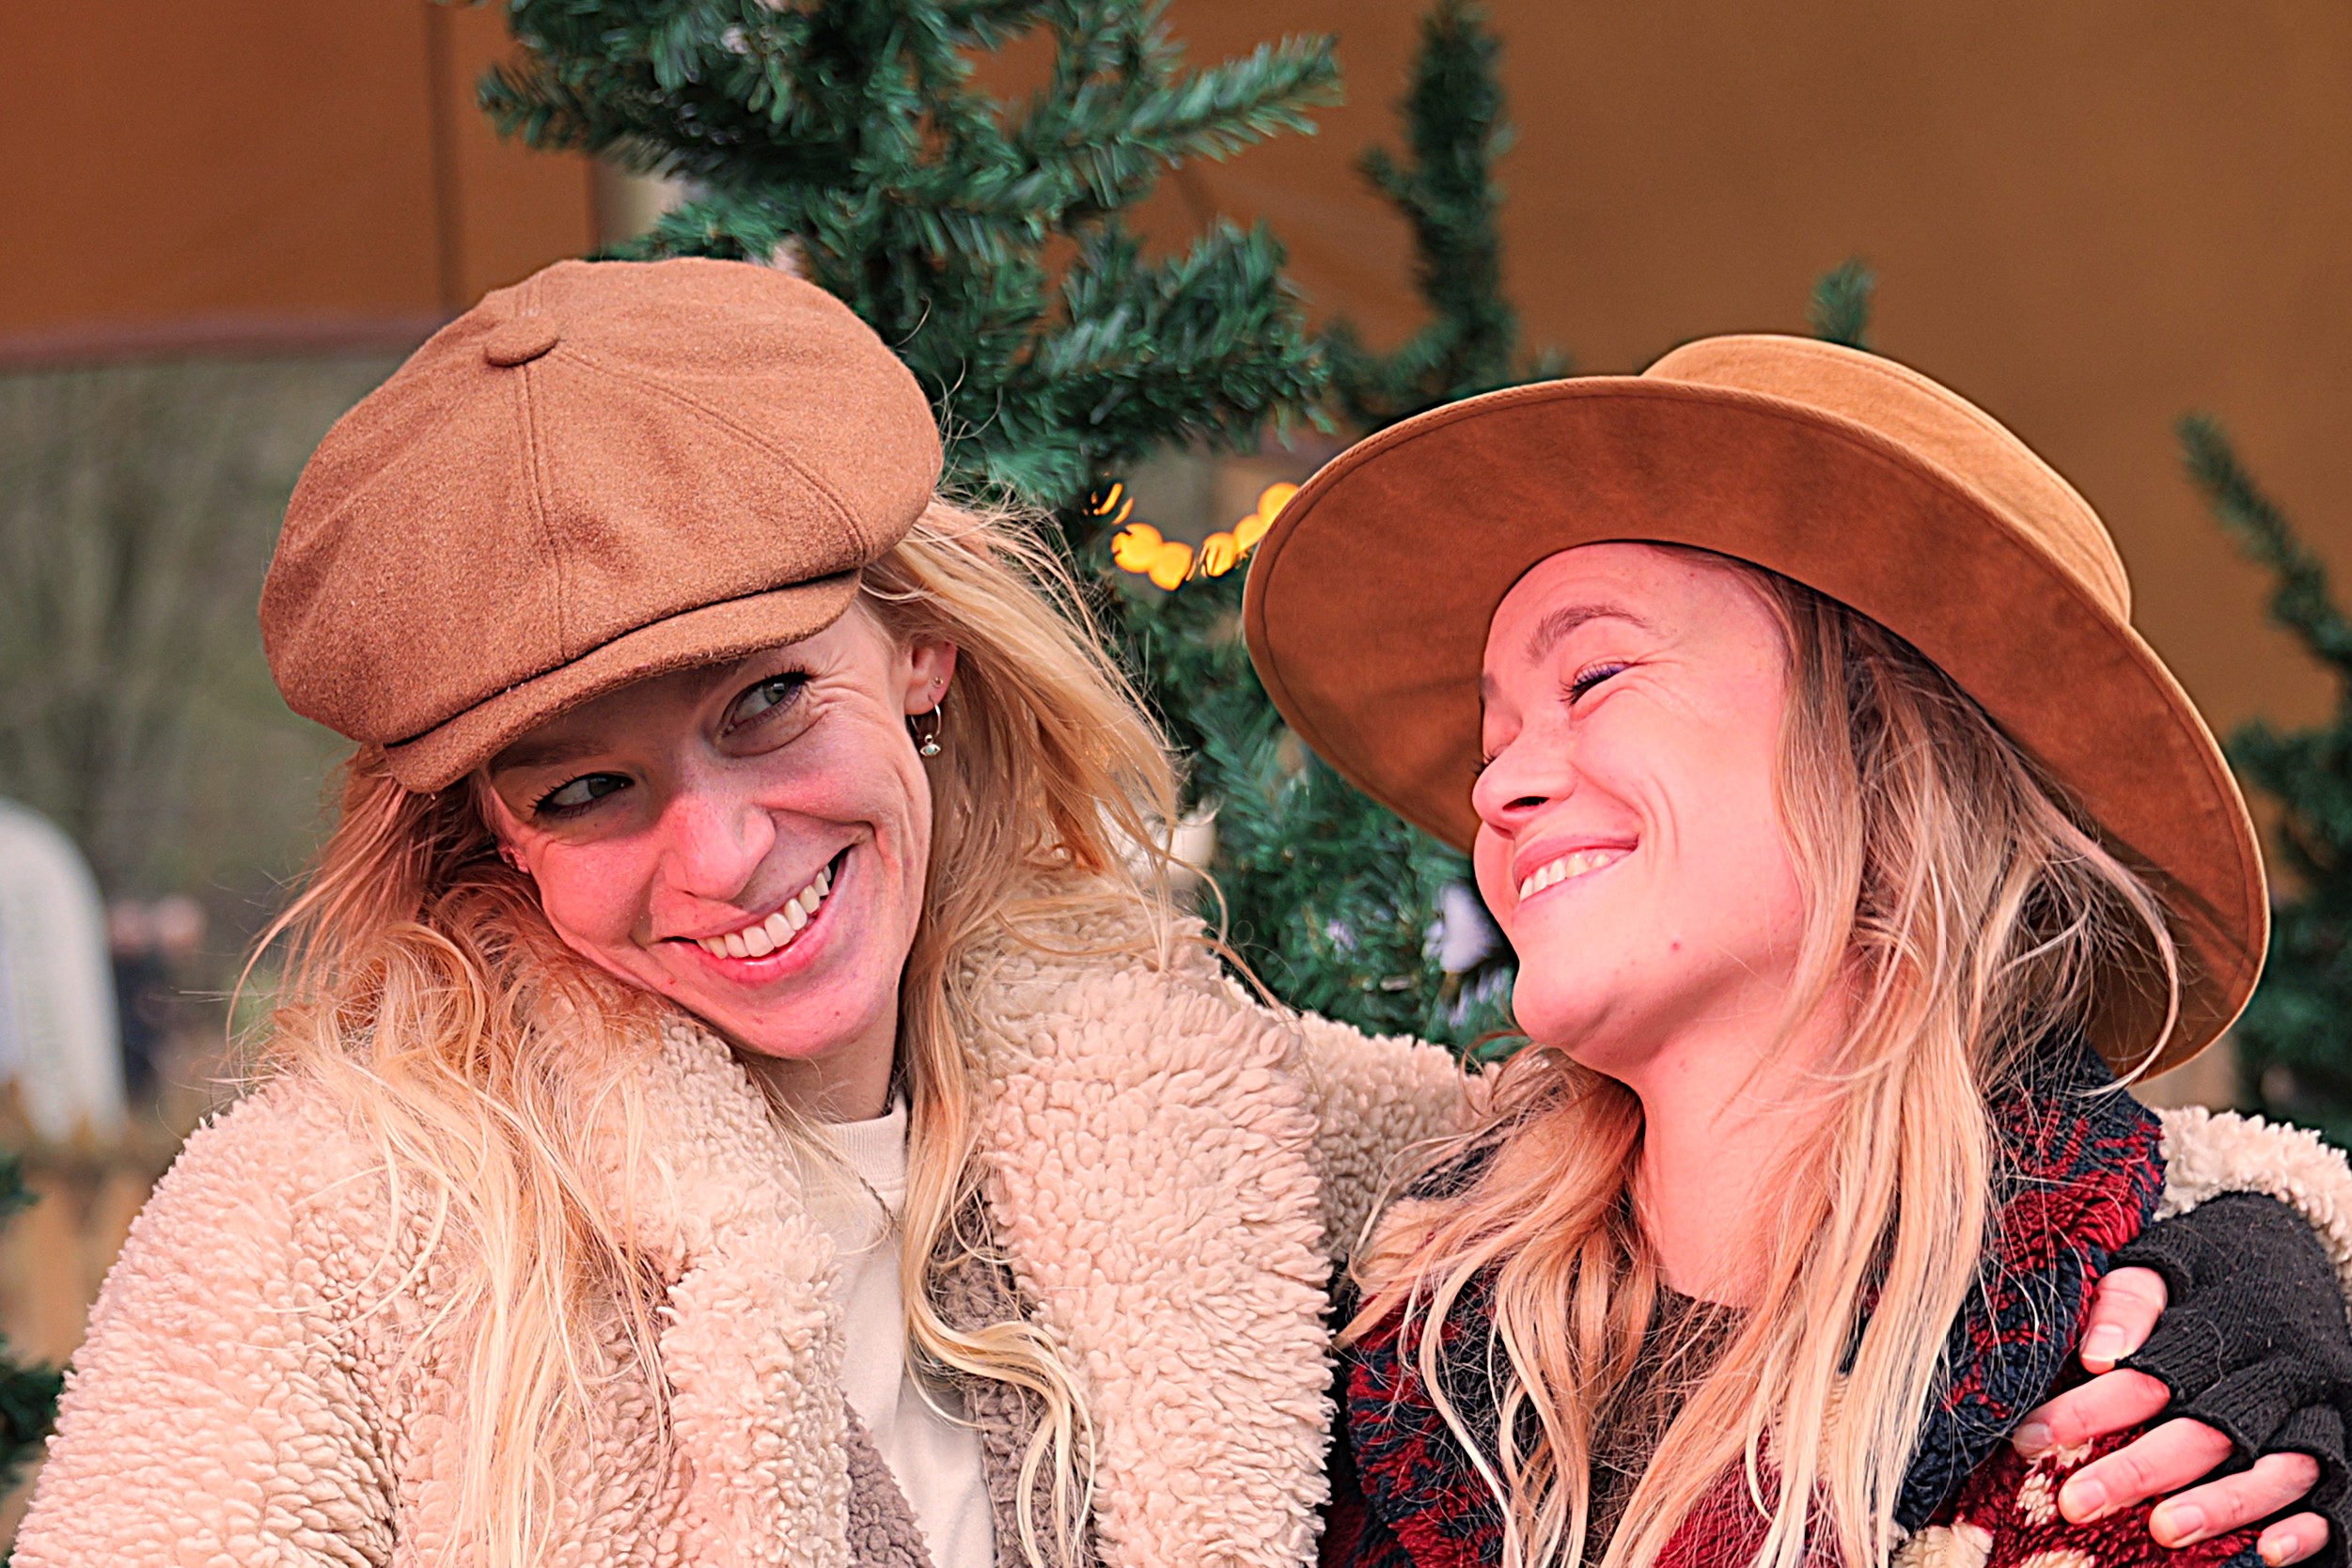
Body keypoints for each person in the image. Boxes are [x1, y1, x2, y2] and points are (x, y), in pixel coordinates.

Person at [14, 267, 2345, 1568]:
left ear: (919, 657)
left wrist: (2283, 1292)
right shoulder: (336, 1226)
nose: (717, 852)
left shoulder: (1217, 1130)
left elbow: (1785, 1179)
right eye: (588, 790)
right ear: (489, 843)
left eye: (765, 709)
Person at [1242, 335, 2352, 1568]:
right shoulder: (1338, 1315)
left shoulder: (2146, 1417)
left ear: (1886, 745)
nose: (1497, 783)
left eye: (1592, 675)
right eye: (1487, 739)